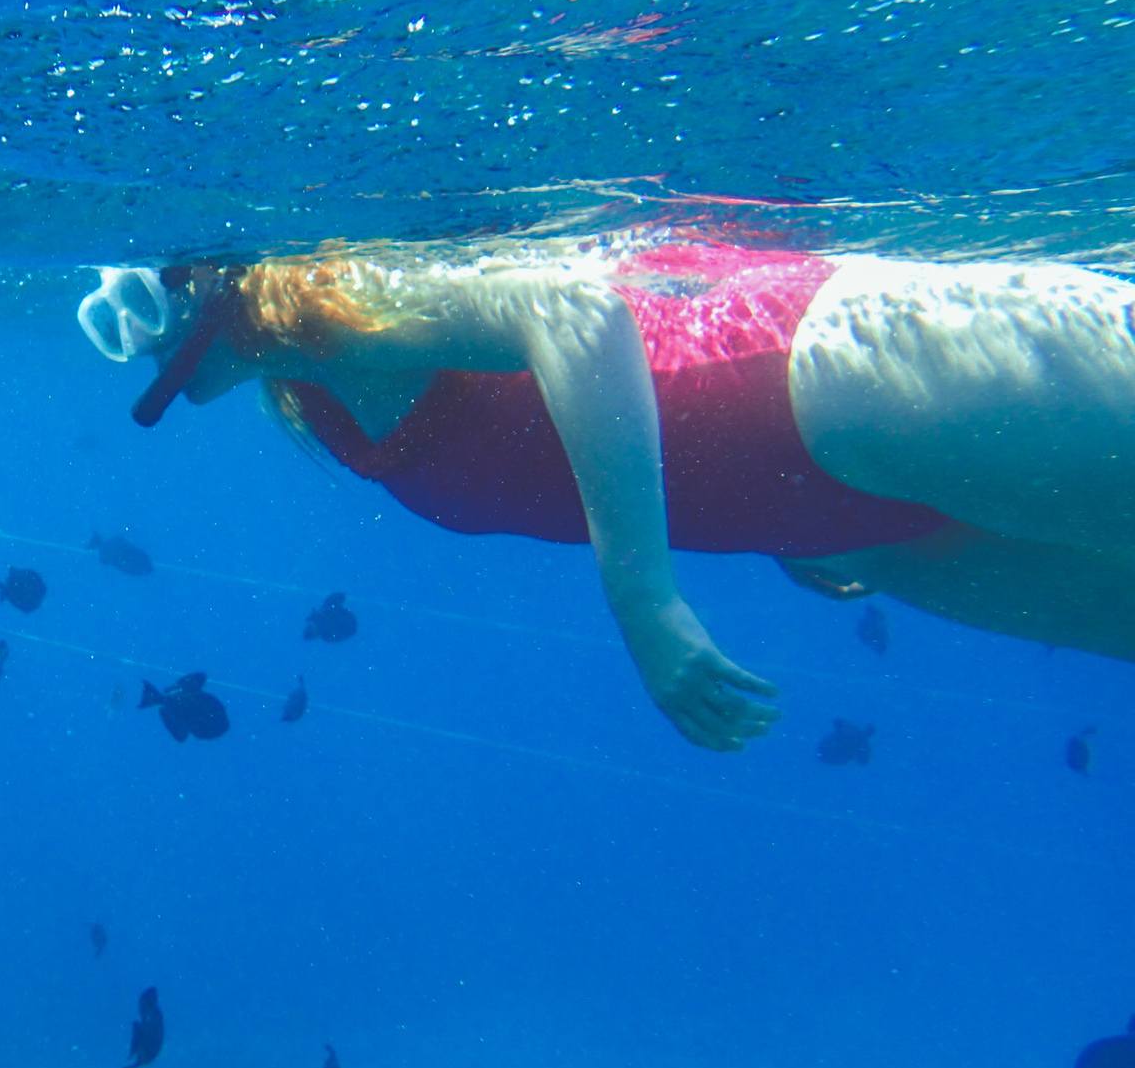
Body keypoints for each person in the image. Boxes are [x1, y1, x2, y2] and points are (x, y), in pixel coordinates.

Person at [77, 237, 1135, 751]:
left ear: (213, 274)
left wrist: (644, 599)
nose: (120, 318)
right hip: (852, 526)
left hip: (837, 372)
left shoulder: (344, 295)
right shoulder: (307, 395)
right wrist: (782, 524)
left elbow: (577, 310)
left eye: (139, 289)